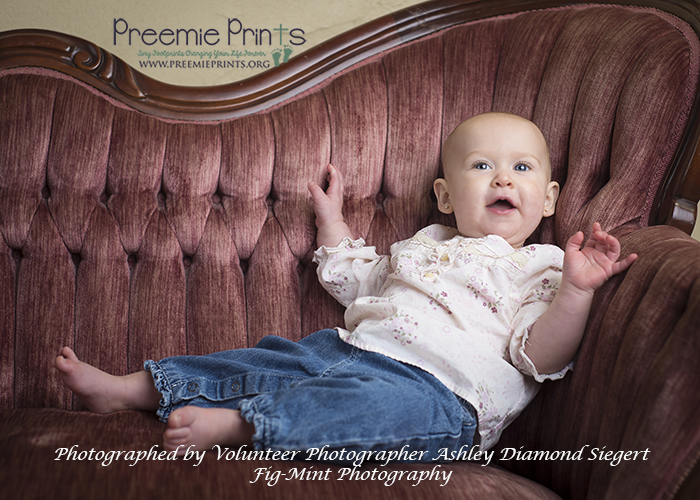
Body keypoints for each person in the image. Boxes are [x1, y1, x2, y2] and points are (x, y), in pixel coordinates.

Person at [54, 112, 636, 460]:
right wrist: (332, 222)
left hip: (443, 395)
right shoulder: (424, 244)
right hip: (347, 350)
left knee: (373, 409)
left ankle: (244, 425)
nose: (503, 177)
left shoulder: (544, 267)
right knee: (267, 360)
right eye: (482, 166)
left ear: (549, 200)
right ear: (444, 195)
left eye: (522, 168)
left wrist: (577, 292)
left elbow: (539, 356)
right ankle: (134, 389)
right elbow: (355, 277)